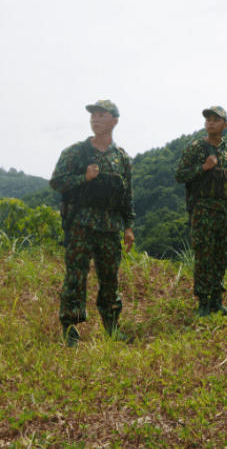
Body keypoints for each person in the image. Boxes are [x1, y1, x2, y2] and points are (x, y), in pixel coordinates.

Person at [50, 99, 135, 346]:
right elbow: (56, 182)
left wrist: (128, 225)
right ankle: (70, 330)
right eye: (93, 115)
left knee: (110, 278)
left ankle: (112, 326)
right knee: (76, 276)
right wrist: (83, 177)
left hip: (109, 227)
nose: (95, 119)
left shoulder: (121, 158)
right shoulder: (76, 152)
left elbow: (127, 194)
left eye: (101, 115)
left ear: (114, 121)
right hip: (80, 225)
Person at [174, 106, 227, 317]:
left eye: (216, 119)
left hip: (224, 211)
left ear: (225, 125)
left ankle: (217, 300)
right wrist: (203, 167)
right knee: (204, 257)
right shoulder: (195, 148)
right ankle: (203, 303)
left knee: (220, 256)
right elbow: (180, 175)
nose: (211, 122)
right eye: (208, 119)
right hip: (203, 209)